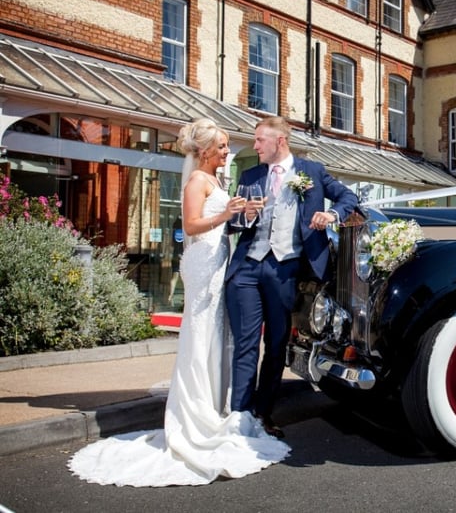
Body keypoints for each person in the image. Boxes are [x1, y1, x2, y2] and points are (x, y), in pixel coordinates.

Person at [68, 118, 290, 487]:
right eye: (221, 146)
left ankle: (215, 406)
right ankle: (194, 416)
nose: (227, 151)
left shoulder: (216, 179)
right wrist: (226, 213)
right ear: (205, 151)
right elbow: (190, 225)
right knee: (200, 334)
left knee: (217, 335)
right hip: (203, 264)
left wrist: (242, 213)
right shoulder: (197, 181)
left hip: (218, 261)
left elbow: (224, 224)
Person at [226, 115, 358, 437]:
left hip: (285, 270)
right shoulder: (250, 175)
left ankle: (263, 414)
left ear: (280, 141)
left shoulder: (312, 171)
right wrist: (245, 216)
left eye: (260, 140)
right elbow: (233, 225)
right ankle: (240, 416)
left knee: (276, 344)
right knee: (246, 345)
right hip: (247, 267)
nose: (255, 146)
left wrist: (331, 214)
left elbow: (349, 198)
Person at [167, 214, 183, 306]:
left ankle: (170, 296)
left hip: (175, 255)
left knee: (174, 278)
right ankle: (185, 298)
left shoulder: (175, 231)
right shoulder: (186, 230)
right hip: (184, 255)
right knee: (185, 279)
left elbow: (171, 244)